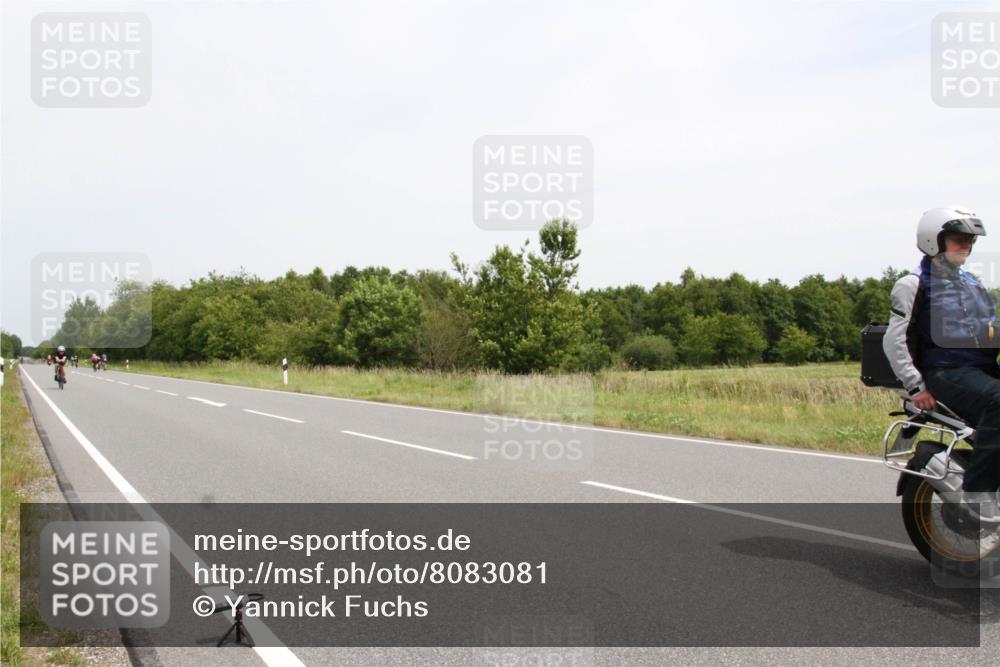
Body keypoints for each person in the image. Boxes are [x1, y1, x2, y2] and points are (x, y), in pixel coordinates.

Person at [884, 206, 1000, 523]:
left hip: (979, 370)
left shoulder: (972, 284)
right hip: (946, 372)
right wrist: (916, 386)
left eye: (969, 240)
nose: (966, 246)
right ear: (934, 240)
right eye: (958, 239)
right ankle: (977, 493)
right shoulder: (913, 284)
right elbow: (893, 340)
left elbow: (989, 331)